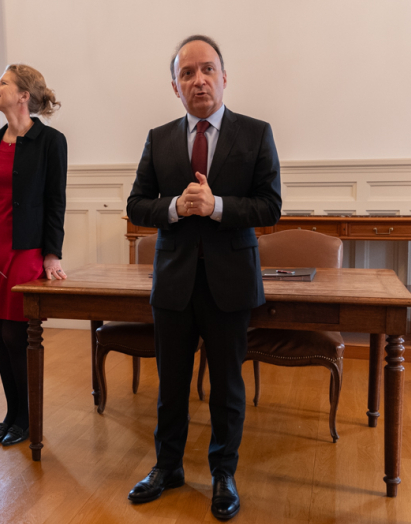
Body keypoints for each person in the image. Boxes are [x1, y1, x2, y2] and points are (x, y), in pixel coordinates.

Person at [125, 35, 282, 520]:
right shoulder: (159, 137)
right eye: (187, 73)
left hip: (230, 281)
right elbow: (136, 205)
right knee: (170, 384)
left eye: (207, 69)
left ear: (224, 76)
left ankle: (222, 473)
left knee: (227, 387)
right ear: (175, 86)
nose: (199, 80)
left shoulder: (255, 133)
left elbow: (270, 206)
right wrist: (174, 206)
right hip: (172, 282)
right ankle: (167, 467)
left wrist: (217, 207)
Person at [0, 64, 67, 447]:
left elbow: (56, 202)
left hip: (26, 250)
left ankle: (25, 418)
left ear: (24, 95)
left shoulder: (51, 141)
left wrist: (52, 255)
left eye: (3, 83)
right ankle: (11, 414)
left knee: (15, 334)